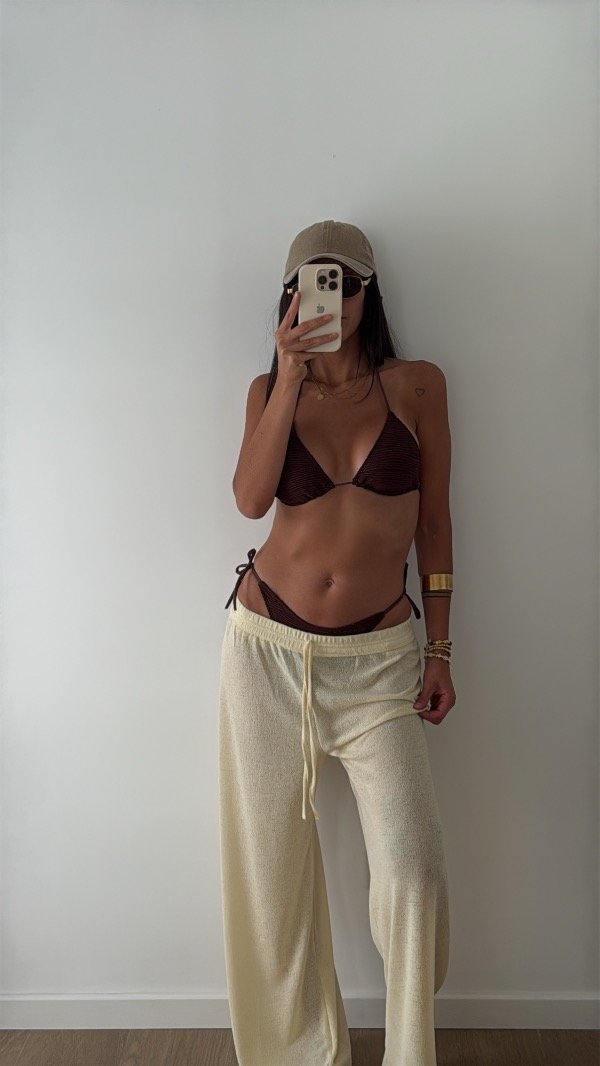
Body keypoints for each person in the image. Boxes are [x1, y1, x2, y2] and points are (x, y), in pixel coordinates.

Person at [218, 219, 456, 1066]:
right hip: (267, 654)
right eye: (313, 284)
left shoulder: (417, 386)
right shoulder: (267, 388)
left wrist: (441, 650)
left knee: (414, 873)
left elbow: (434, 525)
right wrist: (288, 376)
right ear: (291, 297)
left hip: (381, 664)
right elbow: (250, 501)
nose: (333, 300)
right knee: (272, 877)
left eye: (346, 284)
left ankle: (410, 1054)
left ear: (368, 293)